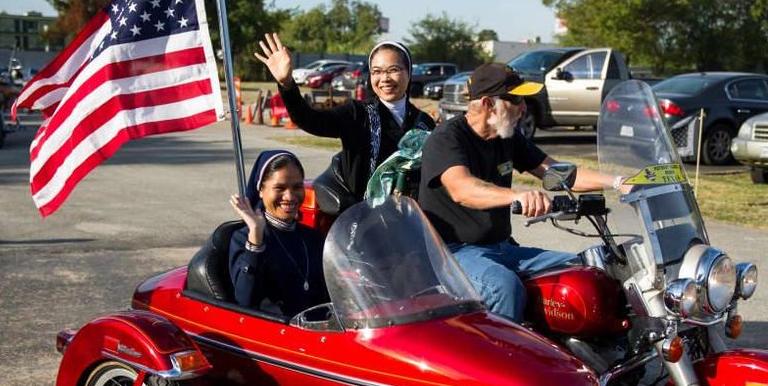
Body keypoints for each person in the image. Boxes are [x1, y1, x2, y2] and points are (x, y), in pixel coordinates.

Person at [418, 63, 619, 323]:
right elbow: (462, 189)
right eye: (516, 100)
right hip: (454, 254)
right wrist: (517, 195)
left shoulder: (507, 136)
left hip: (502, 248)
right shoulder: (446, 138)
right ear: (489, 103)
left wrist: (622, 181)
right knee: (503, 285)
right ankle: (502, 359)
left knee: (583, 269)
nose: (524, 108)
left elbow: (558, 172)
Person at [253, 33, 435, 209]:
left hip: (411, 220)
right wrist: (287, 84)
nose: (384, 78)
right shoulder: (357, 113)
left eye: (393, 70)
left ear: (409, 72)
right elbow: (310, 120)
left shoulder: (424, 123)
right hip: (363, 221)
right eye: (376, 72)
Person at [228, 150, 329, 318]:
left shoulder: (313, 238)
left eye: (297, 187)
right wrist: (256, 237)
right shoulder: (242, 238)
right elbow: (246, 301)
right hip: (277, 334)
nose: (289, 196)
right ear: (261, 190)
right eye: (279, 188)